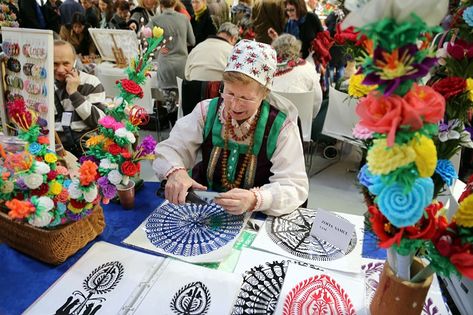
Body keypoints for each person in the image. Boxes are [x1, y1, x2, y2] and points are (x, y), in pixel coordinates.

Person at [153, 40, 309, 216]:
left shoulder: (281, 127)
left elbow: (294, 186)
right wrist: (176, 172)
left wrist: (255, 198)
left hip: (255, 215)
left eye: (246, 98)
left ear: (264, 93)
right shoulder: (207, 111)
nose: (235, 105)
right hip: (204, 208)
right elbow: (171, 148)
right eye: (230, 93)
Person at [53, 40, 107, 157]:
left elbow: (100, 121)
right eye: (55, 64)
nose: (60, 70)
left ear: (74, 62)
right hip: (56, 150)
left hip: (86, 150)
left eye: (66, 63)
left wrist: (74, 93)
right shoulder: (46, 86)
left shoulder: (91, 82)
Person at [147, 0, 195, 112]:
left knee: (169, 104)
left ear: (160, 4)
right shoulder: (184, 18)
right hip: (182, 65)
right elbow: (192, 41)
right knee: (182, 104)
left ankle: (170, 124)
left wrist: (158, 47)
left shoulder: (155, 20)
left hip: (165, 65)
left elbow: (145, 36)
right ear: (175, 4)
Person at [271, 34, 323, 118]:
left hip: (270, 124)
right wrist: (309, 120)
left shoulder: (266, 69)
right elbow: (317, 100)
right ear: (296, 48)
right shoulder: (307, 67)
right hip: (301, 125)